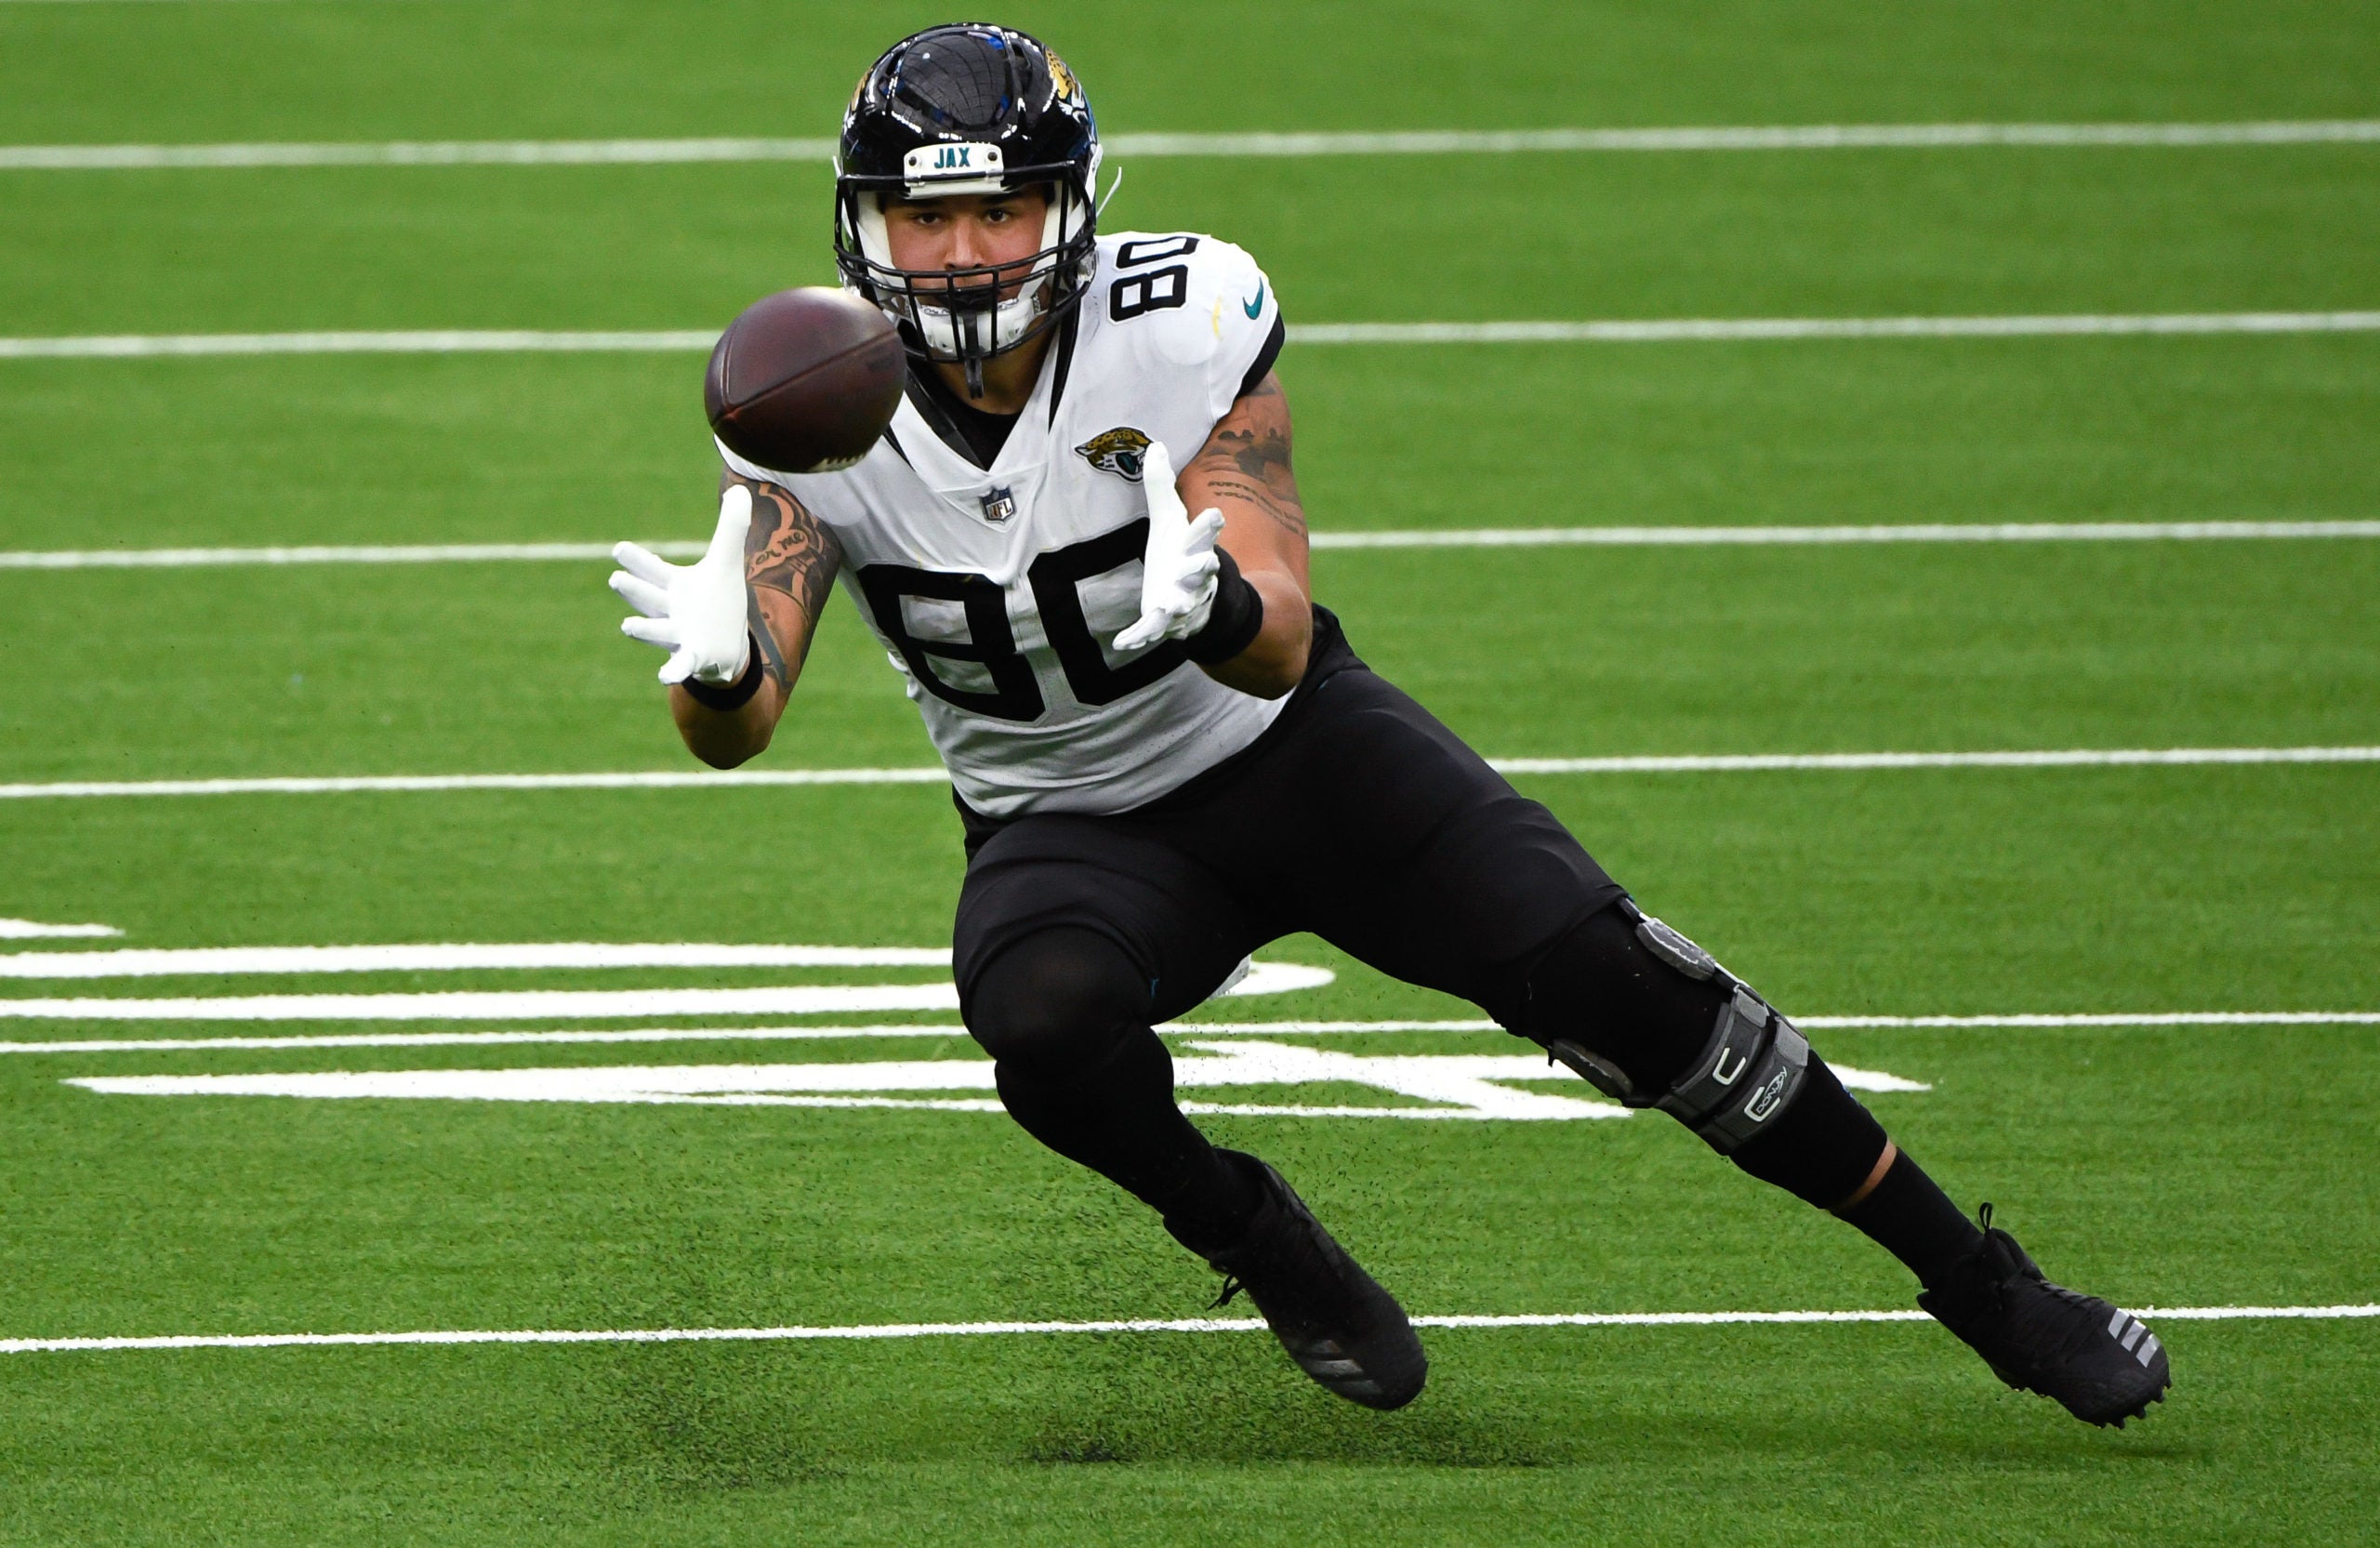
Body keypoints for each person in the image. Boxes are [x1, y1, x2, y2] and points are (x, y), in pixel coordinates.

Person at [608, 22, 2170, 1424]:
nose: (960, 253)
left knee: (1618, 979)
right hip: (1065, 826)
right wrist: (720, 659)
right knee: (1039, 1020)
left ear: (1070, 215)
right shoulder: (812, 402)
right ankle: (1256, 1234)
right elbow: (735, 728)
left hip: (1295, 759)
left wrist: (1210, 598)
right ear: (863, 226)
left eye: (998, 208)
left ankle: (1983, 1283)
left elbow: (1277, 633)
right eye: (926, 214)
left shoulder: (1179, 313)